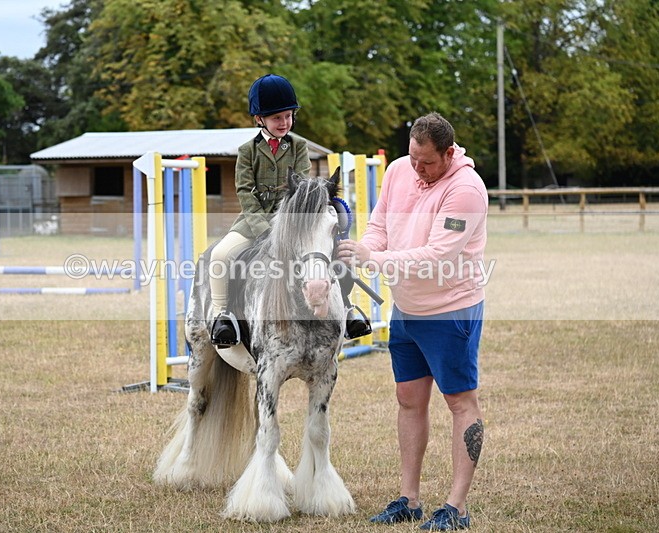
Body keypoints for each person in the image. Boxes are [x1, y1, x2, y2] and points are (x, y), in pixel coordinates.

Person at [338, 113, 488, 530]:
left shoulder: (466, 190)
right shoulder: (399, 170)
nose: (417, 169)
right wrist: (361, 252)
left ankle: (456, 507)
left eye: (427, 162)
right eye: (413, 157)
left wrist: (376, 260)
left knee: (460, 403)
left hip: (450, 309)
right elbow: (380, 226)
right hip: (406, 310)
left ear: (449, 153)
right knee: (408, 400)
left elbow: (438, 256)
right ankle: (409, 499)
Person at [209, 74, 371, 346]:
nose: (284, 123)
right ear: (259, 119)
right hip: (254, 222)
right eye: (276, 118)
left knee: (336, 257)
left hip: (296, 224)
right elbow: (245, 193)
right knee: (220, 255)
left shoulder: (298, 147)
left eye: (288, 116)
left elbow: (305, 189)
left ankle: (347, 307)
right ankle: (222, 317)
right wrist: (264, 229)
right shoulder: (247, 151)